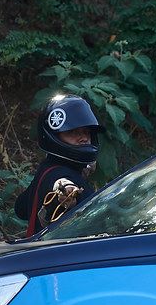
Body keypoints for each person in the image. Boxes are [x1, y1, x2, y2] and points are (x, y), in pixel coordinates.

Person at [15, 94, 100, 235]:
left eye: (86, 132)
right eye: (73, 132)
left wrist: (81, 175)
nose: (84, 138)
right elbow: (60, 184)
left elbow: (21, 208)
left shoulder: (47, 168)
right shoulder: (60, 176)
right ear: (54, 136)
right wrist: (67, 191)